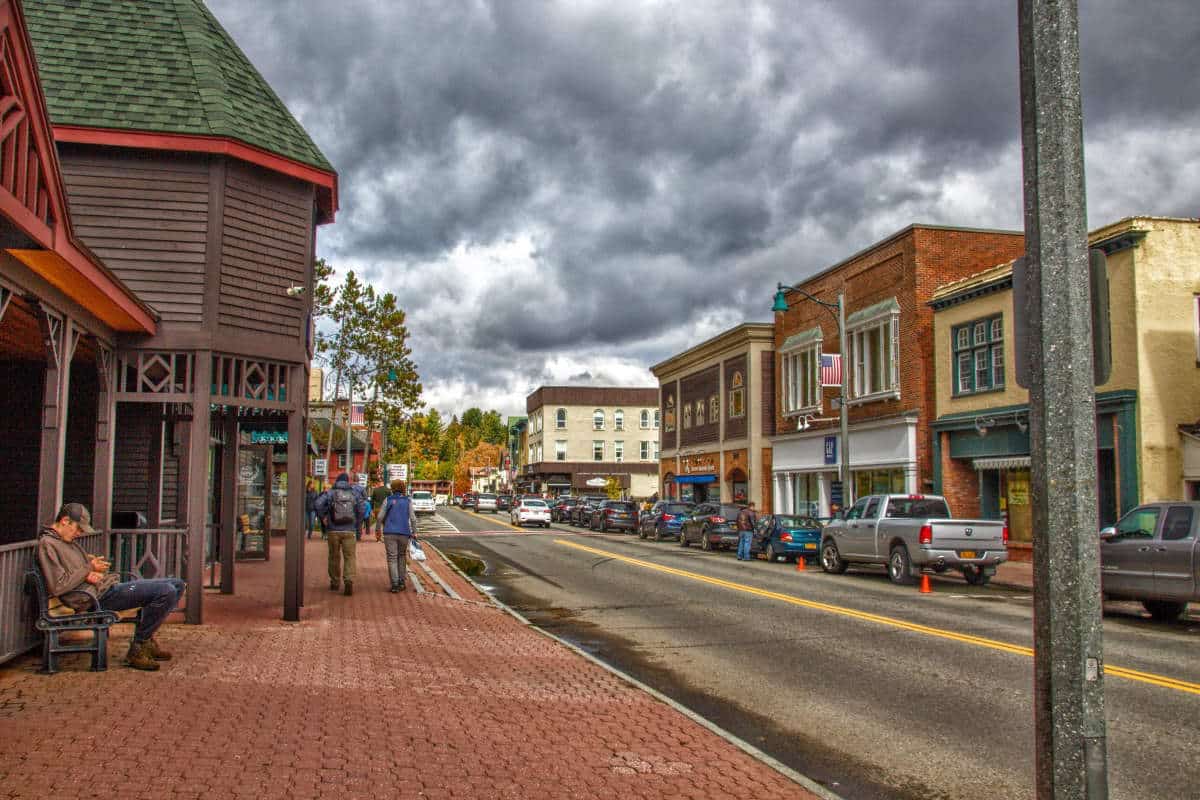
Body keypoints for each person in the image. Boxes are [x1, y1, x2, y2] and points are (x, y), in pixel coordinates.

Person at [37, 503, 185, 671]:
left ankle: (147, 639)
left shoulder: (66, 541)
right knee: (167, 591)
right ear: (65, 521)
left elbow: (76, 571)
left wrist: (90, 567)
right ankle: (139, 645)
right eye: (78, 529)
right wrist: (88, 570)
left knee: (177, 584)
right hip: (96, 599)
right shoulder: (48, 544)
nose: (79, 534)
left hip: (105, 589)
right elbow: (58, 586)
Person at [315, 472, 366, 596]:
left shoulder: (330, 493)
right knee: (350, 557)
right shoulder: (354, 493)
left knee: (334, 556)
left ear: (336, 481)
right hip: (349, 530)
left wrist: (323, 517)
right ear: (348, 481)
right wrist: (357, 524)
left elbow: (317, 504)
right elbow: (362, 509)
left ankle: (335, 581)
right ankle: (348, 579)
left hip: (333, 530)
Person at [376, 479, 417, 592]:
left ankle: (394, 584)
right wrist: (414, 532)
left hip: (389, 533)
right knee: (402, 556)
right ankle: (402, 582)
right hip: (404, 533)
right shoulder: (407, 500)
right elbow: (413, 518)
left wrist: (377, 530)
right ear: (403, 488)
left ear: (392, 488)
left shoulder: (388, 500)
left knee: (392, 558)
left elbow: (379, 517)